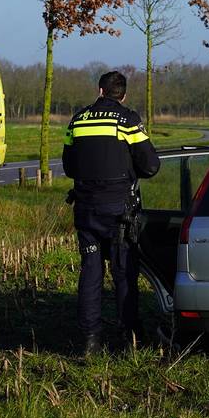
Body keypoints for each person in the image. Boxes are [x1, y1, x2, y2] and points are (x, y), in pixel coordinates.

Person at [62, 70, 160, 355]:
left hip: (86, 209)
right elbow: (151, 166)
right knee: (123, 273)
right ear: (123, 95)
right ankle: (130, 337)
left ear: (100, 90)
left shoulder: (77, 121)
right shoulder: (127, 120)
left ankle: (90, 339)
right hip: (119, 212)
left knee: (90, 273)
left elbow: (69, 166)